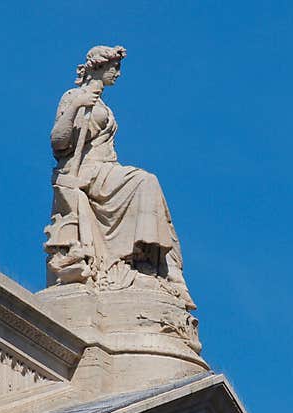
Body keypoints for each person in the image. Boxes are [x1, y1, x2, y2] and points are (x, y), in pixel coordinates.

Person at [44, 45, 193, 307]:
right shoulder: (73, 96)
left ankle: (151, 263)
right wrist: (77, 106)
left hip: (107, 169)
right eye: (115, 68)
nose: (118, 74)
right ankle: (149, 260)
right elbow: (58, 142)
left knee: (146, 181)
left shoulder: (103, 105)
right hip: (87, 172)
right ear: (100, 67)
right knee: (144, 181)